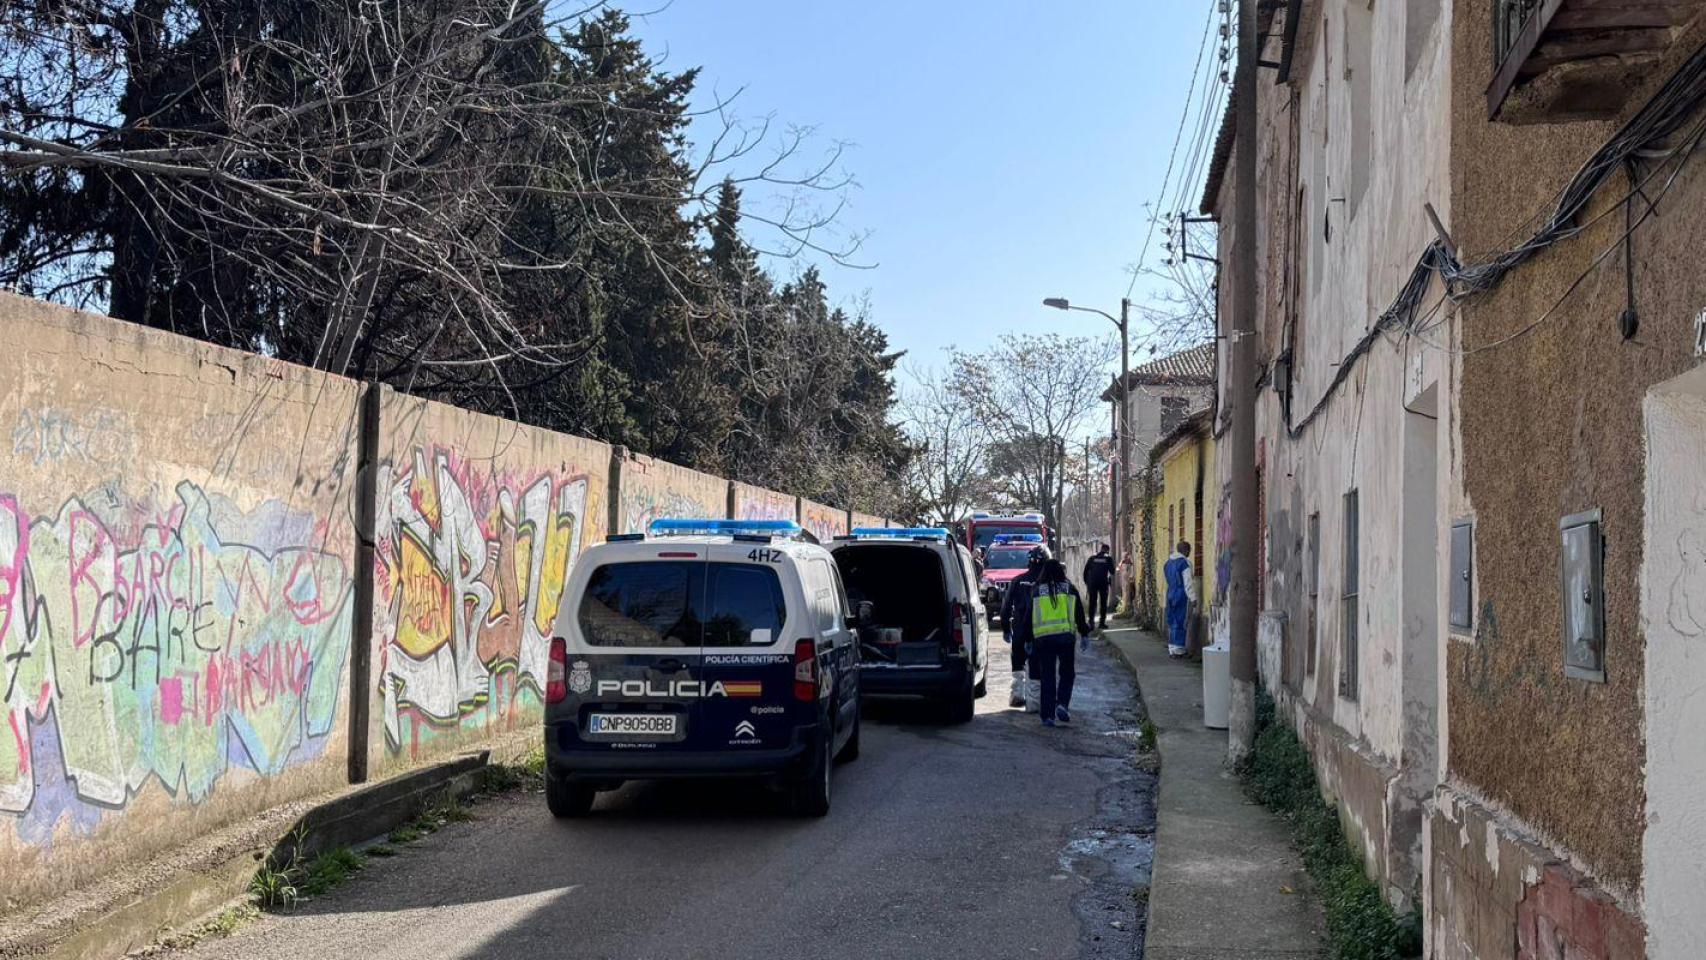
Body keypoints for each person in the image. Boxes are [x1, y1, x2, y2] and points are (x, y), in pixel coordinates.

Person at [1025, 559, 1092, 727]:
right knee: (1067, 673)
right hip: (1065, 638)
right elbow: (1079, 614)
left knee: (1047, 676)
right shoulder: (1070, 589)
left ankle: (1047, 716)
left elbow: (1028, 617)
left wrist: (1027, 639)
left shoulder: (1037, 591)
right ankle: (1062, 704)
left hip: (1043, 639)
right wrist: (1084, 633)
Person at [1000, 545, 1049, 708]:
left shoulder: (1017, 580)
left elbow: (1006, 607)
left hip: (1020, 628)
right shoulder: (1047, 583)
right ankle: (1034, 702)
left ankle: (1017, 695)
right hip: (1041, 630)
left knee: (1017, 661)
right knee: (1037, 664)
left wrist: (1006, 628)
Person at [1163, 541, 1199, 658]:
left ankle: (1172, 648)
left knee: (1172, 620)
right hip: (1181, 594)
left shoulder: (1168, 563)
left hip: (1170, 592)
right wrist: (1193, 597)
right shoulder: (1184, 563)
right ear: (1186, 550)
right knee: (1181, 620)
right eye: (1189, 550)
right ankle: (1178, 649)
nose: (1189, 553)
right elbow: (1188, 582)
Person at [1081, 543, 1115, 629]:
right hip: (1103, 583)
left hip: (1093, 583)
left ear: (1101, 549)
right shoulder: (1108, 558)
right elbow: (1112, 572)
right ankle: (1101, 623)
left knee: (1092, 603)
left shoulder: (1092, 558)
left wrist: (1087, 583)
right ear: (1107, 550)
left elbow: (1085, 572)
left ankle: (1091, 622)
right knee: (1103, 603)